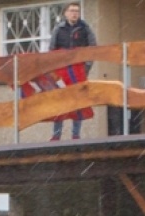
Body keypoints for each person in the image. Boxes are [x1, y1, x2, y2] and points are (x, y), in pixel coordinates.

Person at [48, 2, 96, 140]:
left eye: (77, 11)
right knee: (60, 102)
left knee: (78, 101)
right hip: (61, 71)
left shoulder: (85, 29)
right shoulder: (59, 29)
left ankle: (76, 134)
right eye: (72, 10)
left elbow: (93, 49)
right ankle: (56, 135)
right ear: (65, 13)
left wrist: (86, 67)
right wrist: (54, 72)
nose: (74, 13)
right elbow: (52, 51)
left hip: (78, 70)